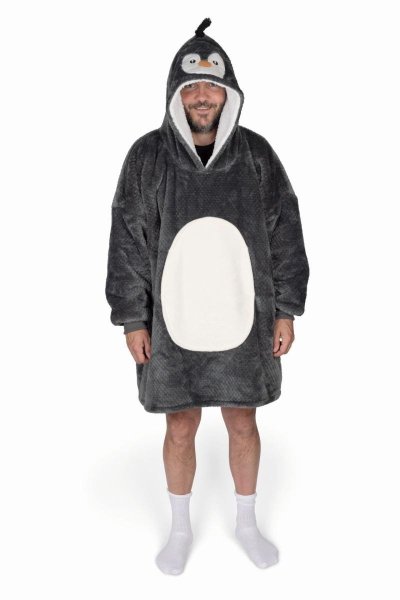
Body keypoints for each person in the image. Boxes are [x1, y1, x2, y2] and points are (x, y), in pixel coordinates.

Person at [105, 17, 310, 575]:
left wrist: (286, 309)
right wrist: (132, 318)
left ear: (228, 91)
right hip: (172, 323)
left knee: (243, 421)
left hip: (245, 316)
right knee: (180, 425)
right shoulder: (148, 157)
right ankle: (180, 528)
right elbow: (127, 238)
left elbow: (284, 231)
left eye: (211, 85)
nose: (201, 95)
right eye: (191, 85)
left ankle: (245, 523)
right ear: (176, 92)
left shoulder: (257, 156)